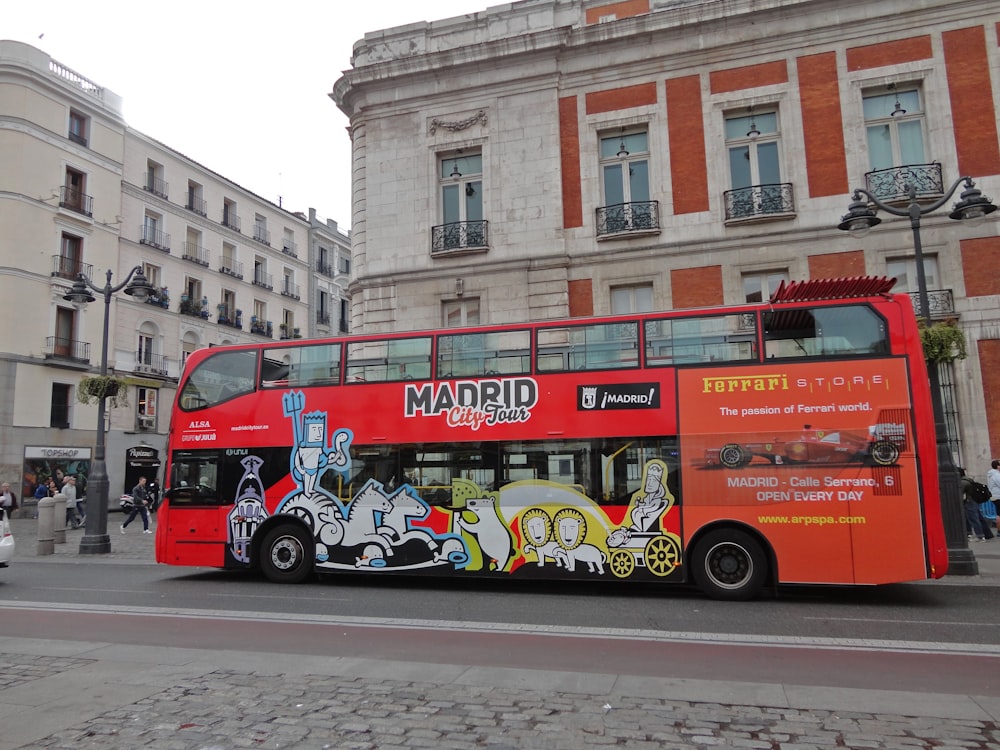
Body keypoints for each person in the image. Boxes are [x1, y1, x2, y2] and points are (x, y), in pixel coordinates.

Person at [960, 468, 988, 542]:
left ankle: (980, 536)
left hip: (969, 501)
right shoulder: (969, 480)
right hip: (974, 501)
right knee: (974, 518)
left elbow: (960, 493)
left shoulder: (962, 482)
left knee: (973, 519)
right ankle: (980, 534)